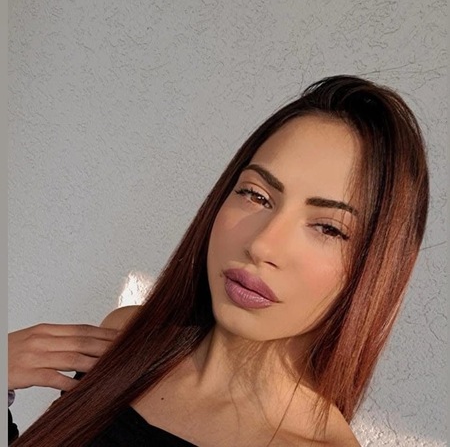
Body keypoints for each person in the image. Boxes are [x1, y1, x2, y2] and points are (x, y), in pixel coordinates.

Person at [9, 74, 429, 446]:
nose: (262, 245)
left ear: (373, 270)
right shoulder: (125, 339)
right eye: (256, 195)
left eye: (328, 228)